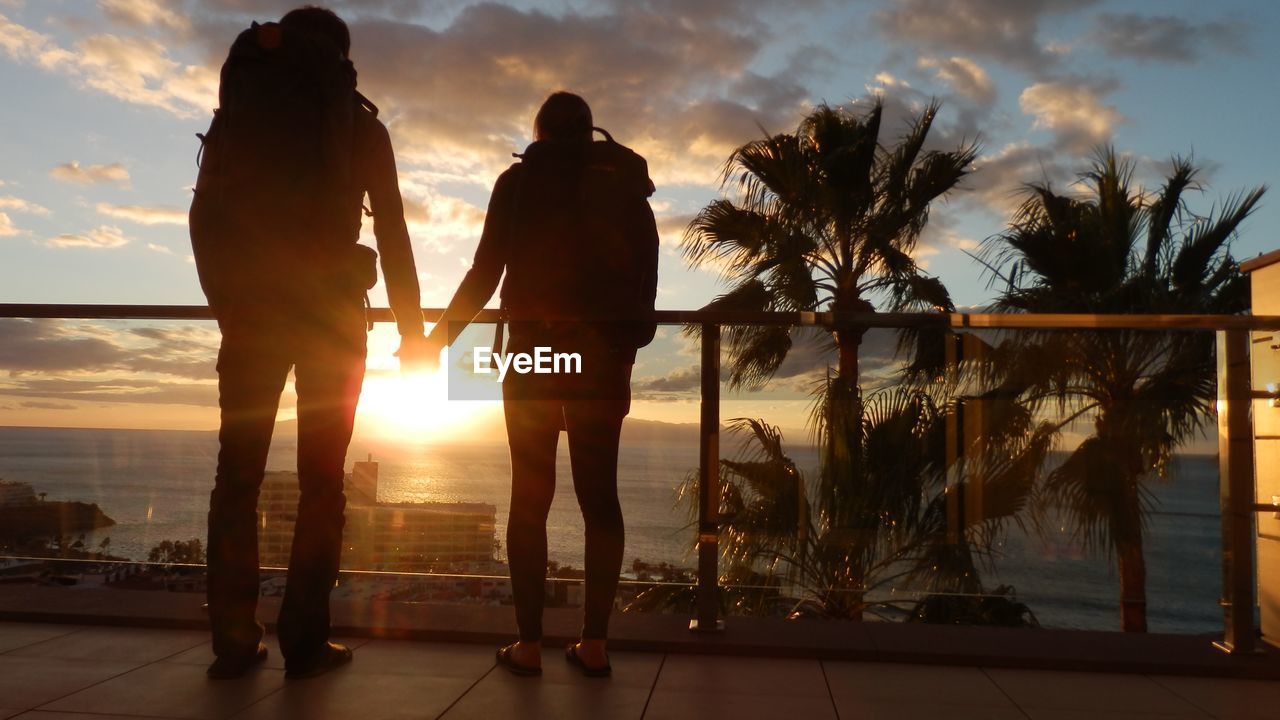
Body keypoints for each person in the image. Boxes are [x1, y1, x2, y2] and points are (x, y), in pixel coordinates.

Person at [190, 6, 429, 680]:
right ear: (341, 59)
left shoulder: (238, 113)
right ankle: (305, 639)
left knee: (235, 481)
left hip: (253, 313)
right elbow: (394, 234)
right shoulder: (360, 125)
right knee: (324, 483)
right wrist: (412, 336)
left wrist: (227, 307)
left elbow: (202, 215)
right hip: (331, 318)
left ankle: (234, 642)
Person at [422, 92, 659, 677]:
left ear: (540, 132)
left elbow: (484, 271)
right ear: (590, 132)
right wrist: (624, 343)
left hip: (535, 355)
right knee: (599, 498)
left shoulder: (518, 182)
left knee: (530, 499)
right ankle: (595, 644)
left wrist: (436, 342)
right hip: (603, 359)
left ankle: (528, 645)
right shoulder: (626, 184)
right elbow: (648, 276)